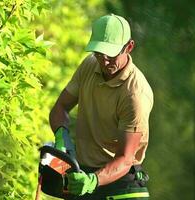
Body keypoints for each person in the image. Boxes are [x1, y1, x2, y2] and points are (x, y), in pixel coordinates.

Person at [49, 14, 153, 199]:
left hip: (122, 182)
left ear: (129, 47)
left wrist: (93, 181)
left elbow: (125, 158)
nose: (104, 61)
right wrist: (61, 136)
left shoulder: (135, 94)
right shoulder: (89, 65)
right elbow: (60, 108)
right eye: (99, 52)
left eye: (111, 54)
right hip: (83, 174)